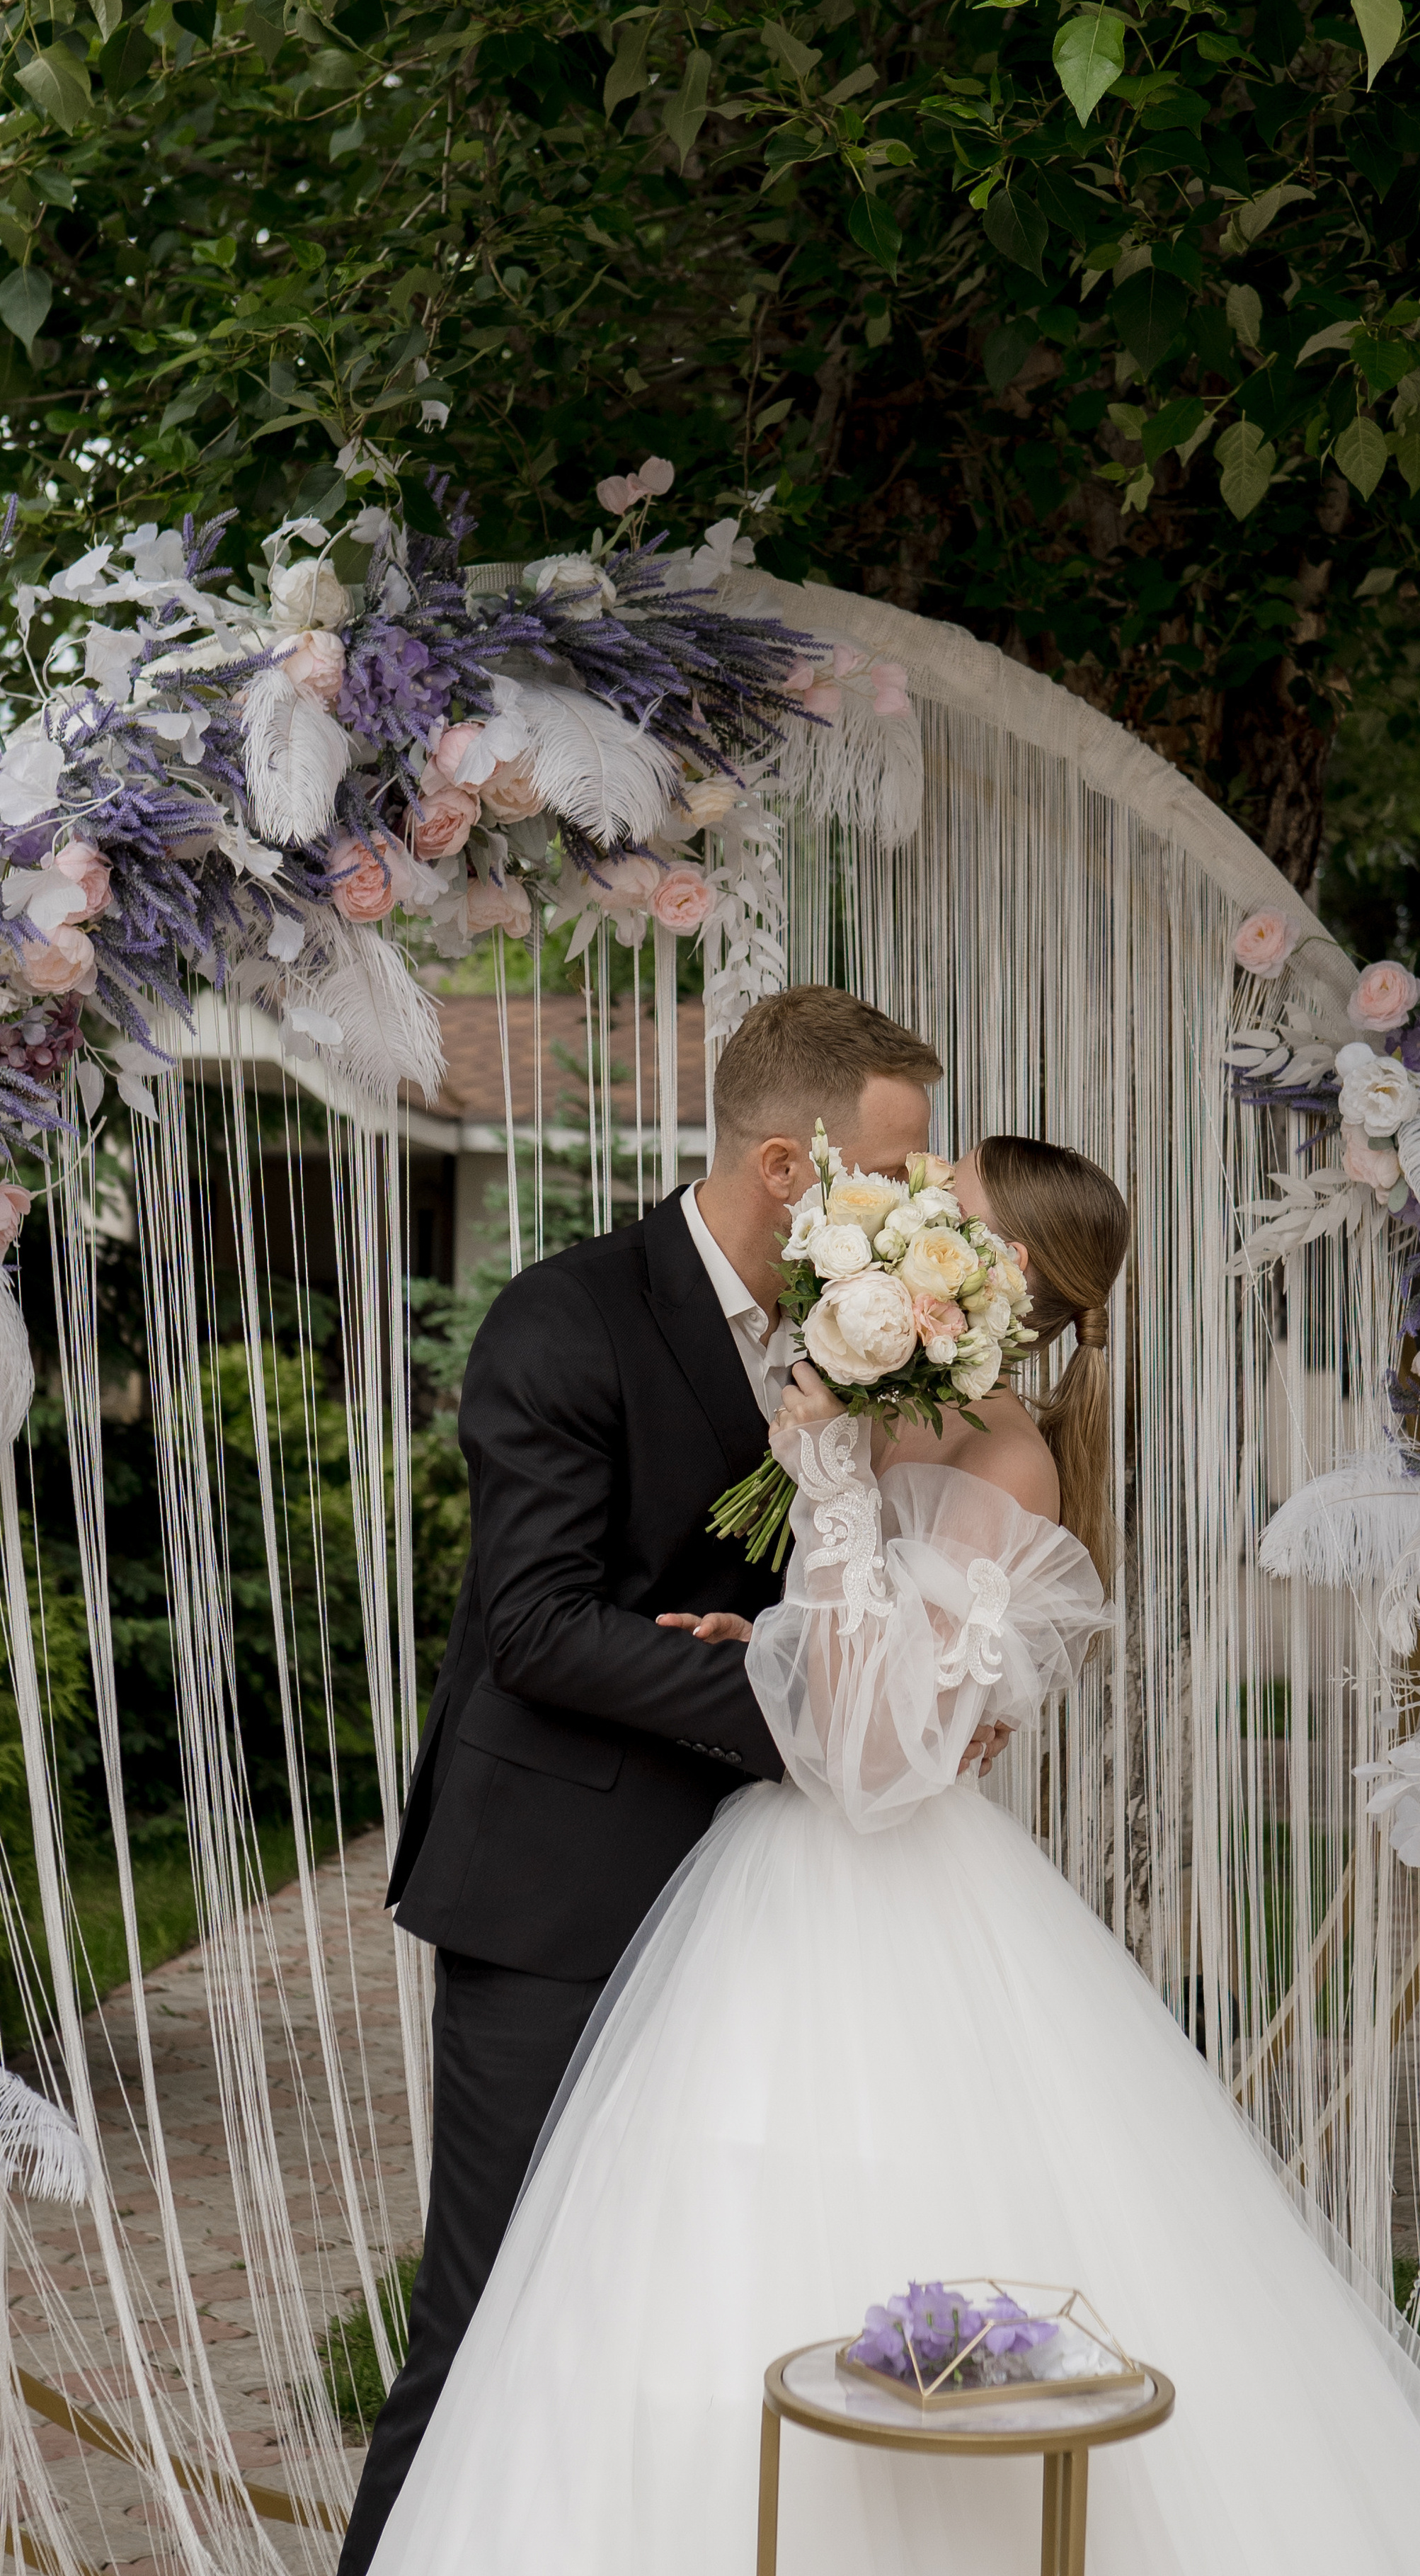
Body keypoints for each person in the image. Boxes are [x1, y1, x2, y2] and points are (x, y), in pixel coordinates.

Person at [367, 1136, 1420, 2576]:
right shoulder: (900, 1420)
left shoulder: (1005, 1456)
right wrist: (757, 1644)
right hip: (761, 1874)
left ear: (992, 1276)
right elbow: (860, 1668)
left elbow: (882, 1757)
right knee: (673, 2255)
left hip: (870, 1891)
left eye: (936, 1207)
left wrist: (825, 1493)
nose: (899, 1212)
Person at [335, 985, 948, 2576]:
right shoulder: (564, 1315)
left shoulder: (850, 1338)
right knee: (489, 2322)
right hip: (556, 1897)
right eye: (894, 1170)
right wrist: (791, 1692)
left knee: (687, 2326)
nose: (921, 1204)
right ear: (780, 1167)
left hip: (750, 1914)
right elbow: (533, 1627)